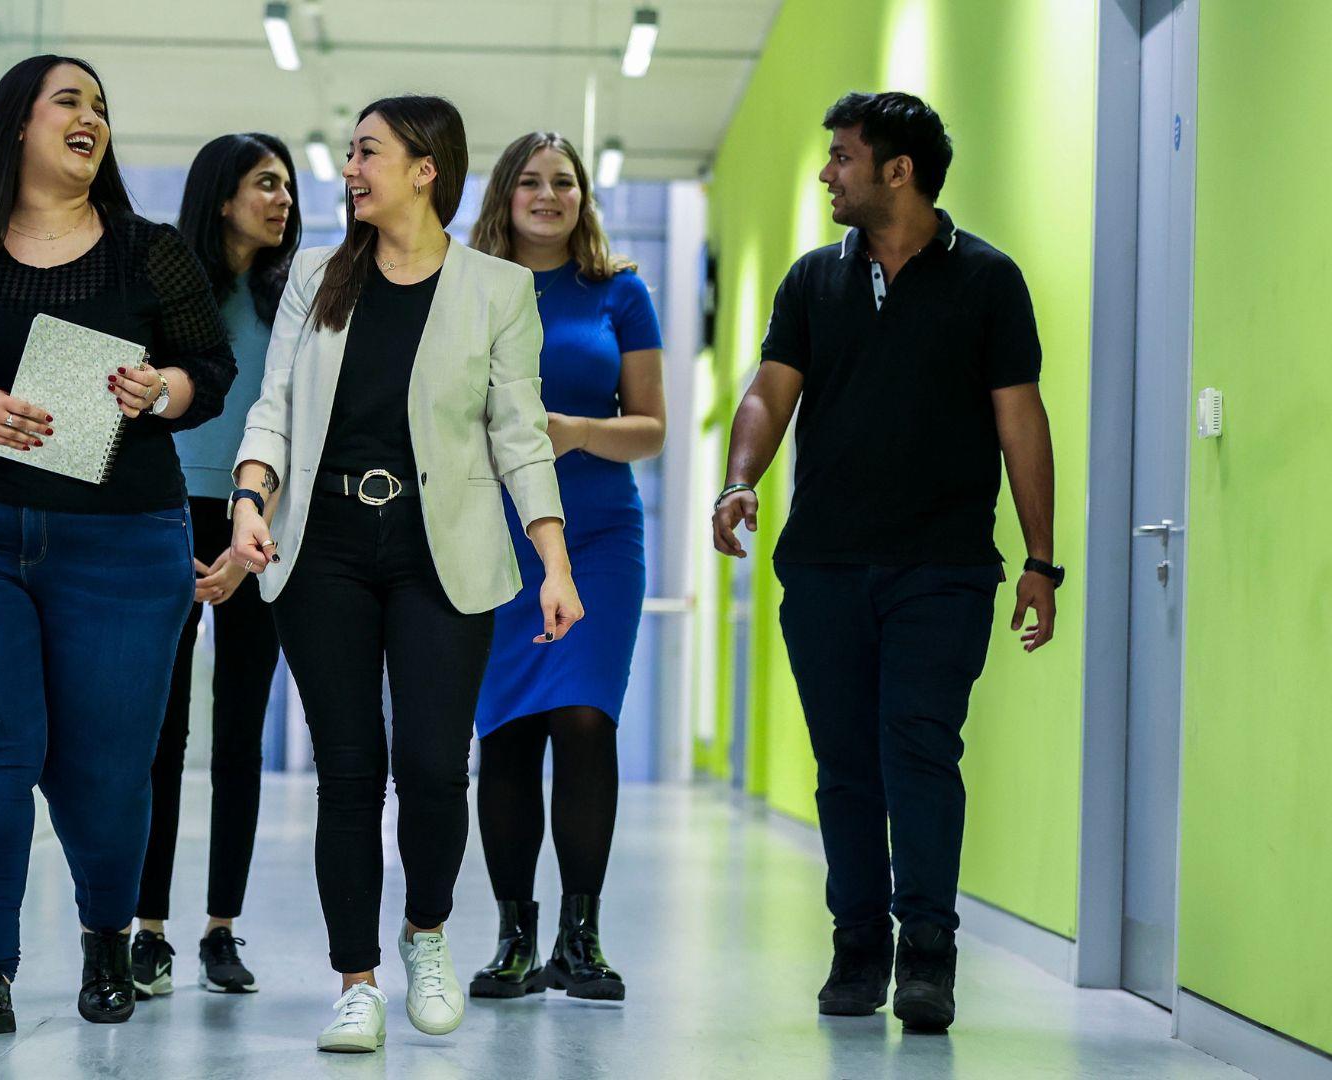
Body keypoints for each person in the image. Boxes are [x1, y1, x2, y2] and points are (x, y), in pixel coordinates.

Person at [0, 54, 235, 1035]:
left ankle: (108, 939)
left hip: (121, 543)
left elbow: (210, 368)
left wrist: (165, 391)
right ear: (16, 125)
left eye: (101, 106)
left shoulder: (150, 254)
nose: (91, 117)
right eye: (70, 100)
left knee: (104, 771)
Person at [228, 95, 583, 1054]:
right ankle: (357, 982)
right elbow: (274, 407)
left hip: (443, 548)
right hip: (326, 548)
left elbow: (520, 438)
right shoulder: (314, 277)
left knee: (433, 766)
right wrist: (251, 497)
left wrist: (553, 560)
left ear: (425, 168)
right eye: (349, 153)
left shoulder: (497, 291)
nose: (349, 169)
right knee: (349, 772)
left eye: (368, 153)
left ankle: (426, 931)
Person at [712, 91, 1061, 1035]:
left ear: (896, 171)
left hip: (944, 568)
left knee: (919, 749)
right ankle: (858, 945)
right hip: (825, 566)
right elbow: (767, 393)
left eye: (842, 157)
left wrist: (1041, 559)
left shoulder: (988, 280)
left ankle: (930, 956)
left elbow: (1019, 418)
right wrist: (738, 480)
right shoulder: (811, 281)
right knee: (845, 766)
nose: (828, 172)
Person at [464, 132, 665, 1002]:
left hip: (598, 538)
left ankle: (580, 940)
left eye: (565, 182)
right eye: (531, 182)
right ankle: (515, 938)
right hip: (490, 534)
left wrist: (577, 431)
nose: (549, 195)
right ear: (504, 195)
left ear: (584, 196)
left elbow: (651, 427)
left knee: (585, 721)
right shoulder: (464, 291)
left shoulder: (621, 293)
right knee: (504, 731)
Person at [129, 132, 300, 1000]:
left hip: (258, 522)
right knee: (160, 734)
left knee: (241, 731)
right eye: (264, 184)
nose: (282, 199)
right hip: (165, 510)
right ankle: (148, 928)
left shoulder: (299, 297)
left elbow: (295, 423)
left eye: (286, 186)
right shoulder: (167, 286)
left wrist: (251, 532)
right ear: (221, 196)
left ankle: (220, 930)